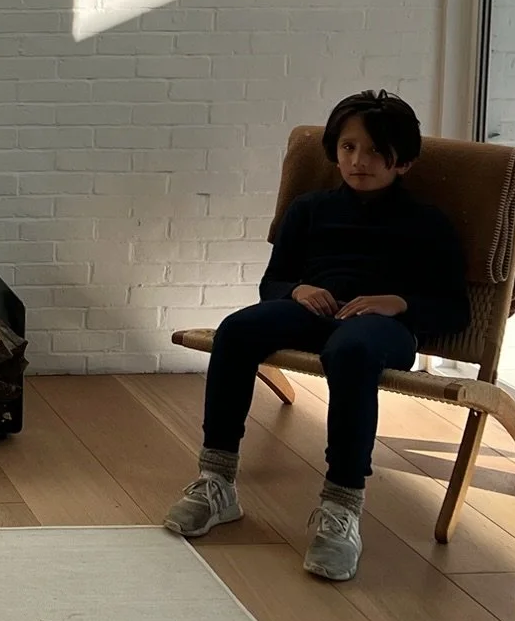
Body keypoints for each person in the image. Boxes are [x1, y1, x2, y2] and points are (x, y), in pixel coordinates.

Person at [162, 90, 466, 582]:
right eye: (348, 148)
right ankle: (217, 482)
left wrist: (397, 302)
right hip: (312, 310)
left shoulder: (428, 225)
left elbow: (455, 309)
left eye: (373, 151)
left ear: (404, 161)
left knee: (349, 351)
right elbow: (272, 284)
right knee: (237, 331)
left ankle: (341, 509)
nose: (358, 161)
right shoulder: (310, 210)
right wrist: (297, 289)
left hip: (383, 327)